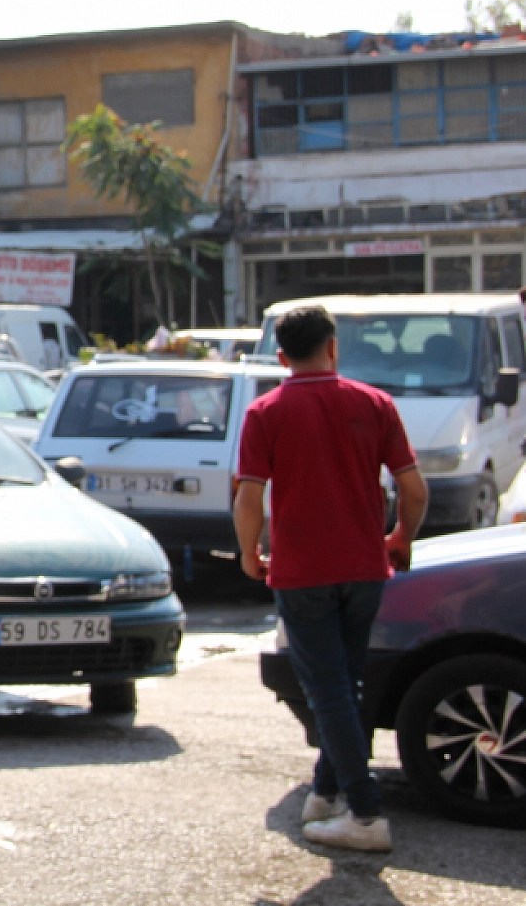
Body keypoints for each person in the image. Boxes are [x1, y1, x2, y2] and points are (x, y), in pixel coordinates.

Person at [233, 305, 427, 853]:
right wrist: (400, 536)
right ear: (334, 347)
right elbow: (414, 490)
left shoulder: (266, 412)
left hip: (302, 572)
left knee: (330, 691)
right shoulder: (374, 404)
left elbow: (249, 497)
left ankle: (365, 814)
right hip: (365, 566)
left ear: (281, 355)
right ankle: (324, 792)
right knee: (347, 683)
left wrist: (250, 553)